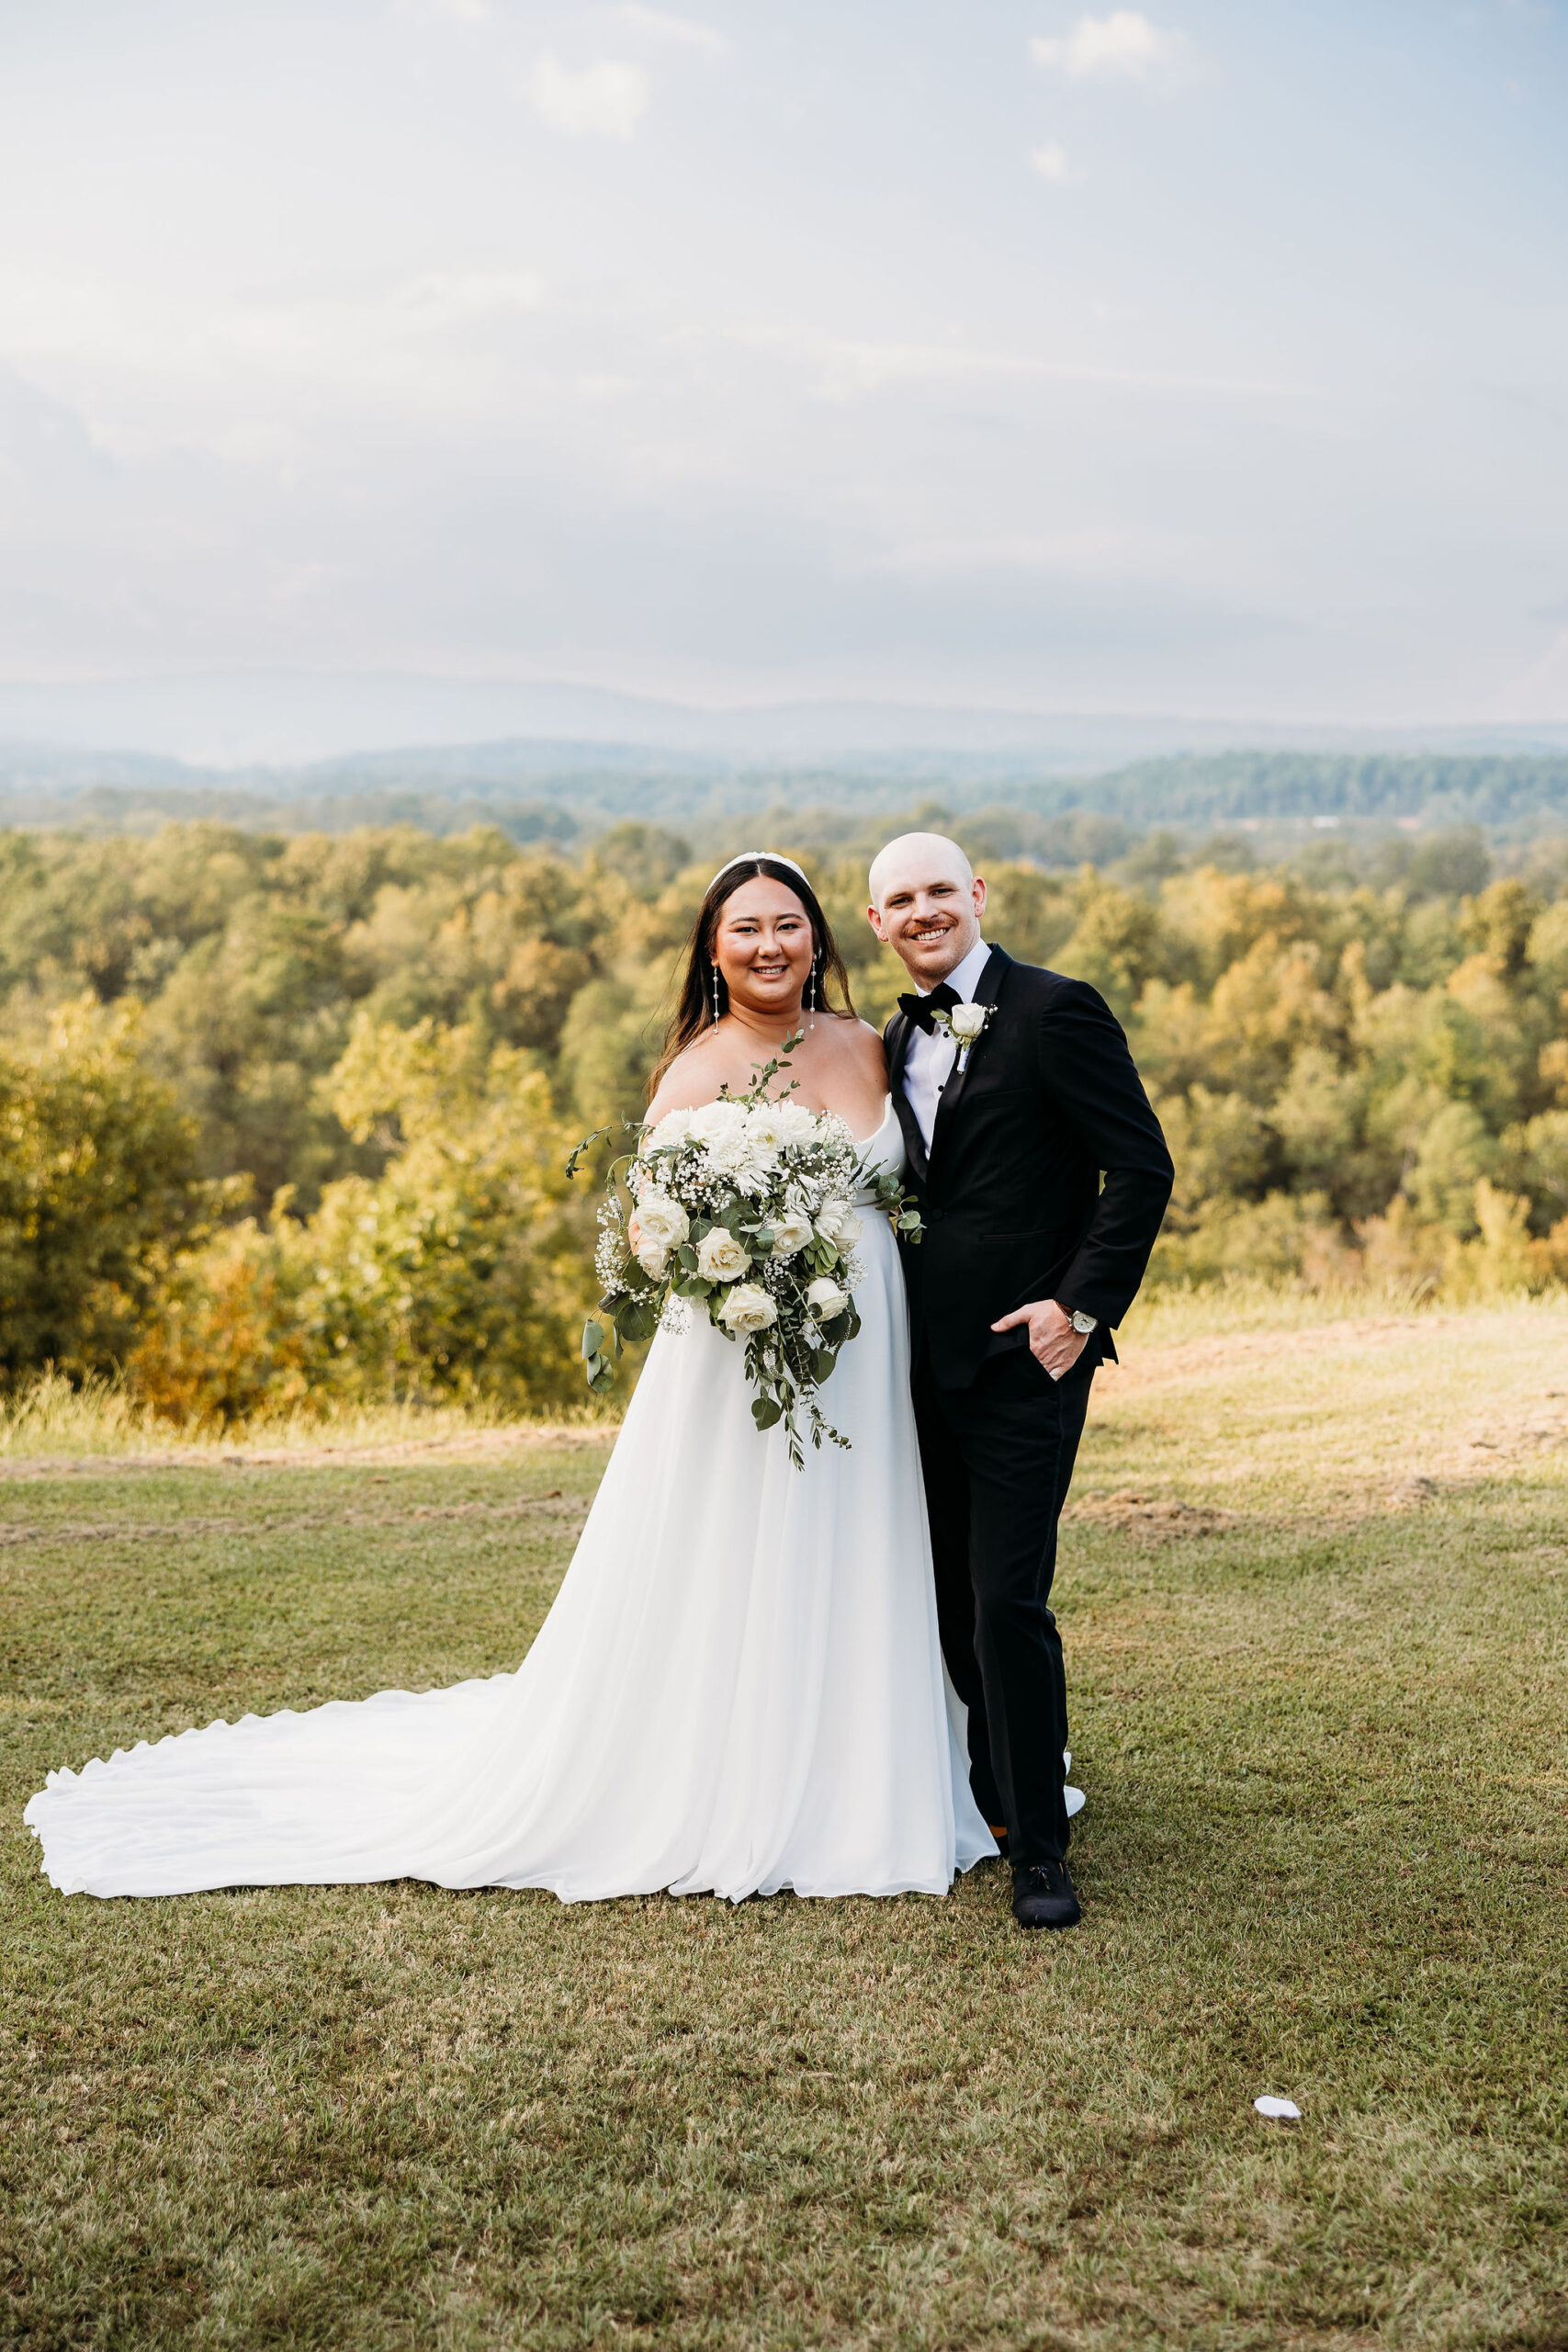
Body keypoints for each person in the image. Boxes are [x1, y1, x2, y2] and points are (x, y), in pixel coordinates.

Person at [26, 853, 995, 1904]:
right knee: (740, 1550)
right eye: (745, 929)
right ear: (713, 952)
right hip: (738, 1367)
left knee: (861, 1537)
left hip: (866, 1345)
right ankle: (736, 1774)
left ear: (821, 936)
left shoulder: (872, 1043)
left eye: (787, 925)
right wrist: (741, 1257)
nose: (770, 945)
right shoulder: (694, 1071)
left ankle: (872, 1765)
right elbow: (647, 1232)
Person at [869, 831, 1173, 1932]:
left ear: (978, 895)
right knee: (953, 1604)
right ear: (878, 924)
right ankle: (995, 1800)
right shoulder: (885, 1038)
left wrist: (1079, 1309)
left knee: (1008, 1598)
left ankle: (1041, 1851)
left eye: (939, 889)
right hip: (914, 1364)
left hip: (1025, 1358)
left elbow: (1141, 1166)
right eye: (900, 899)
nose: (922, 911)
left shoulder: (1056, 1009)